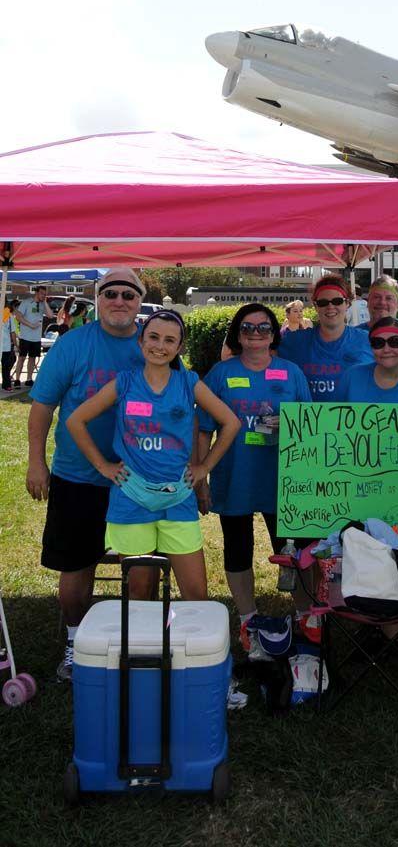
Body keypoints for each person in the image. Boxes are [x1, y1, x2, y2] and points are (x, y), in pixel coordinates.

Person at [26, 268, 159, 681]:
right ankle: (75, 642)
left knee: (142, 569)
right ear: (98, 299)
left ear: (140, 301)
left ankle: (136, 643)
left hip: (138, 482)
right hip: (78, 477)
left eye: (128, 294)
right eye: (110, 293)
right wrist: (35, 461)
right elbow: (43, 406)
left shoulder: (153, 345)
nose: (119, 301)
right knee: (76, 569)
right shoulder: (73, 344)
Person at [66, 310, 240, 600]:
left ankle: (189, 645)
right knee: (140, 591)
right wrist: (103, 466)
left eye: (169, 340)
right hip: (132, 497)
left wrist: (203, 468)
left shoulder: (188, 383)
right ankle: (143, 646)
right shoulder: (125, 382)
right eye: (154, 337)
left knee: (196, 593)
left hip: (178, 498)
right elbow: (75, 420)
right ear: (141, 341)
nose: (160, 346)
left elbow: (231, 422)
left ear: (179, 347)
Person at [196, 303, 313, 647]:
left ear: (274, 333)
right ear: (237, 334)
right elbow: (202, 429)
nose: (256, 334)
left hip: (282, 478)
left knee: (292, 551)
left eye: (264, 328)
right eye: (248, 328)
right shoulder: (219, 374)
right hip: (235, 477)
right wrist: (200, 478)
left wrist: (289, 427)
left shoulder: (291, 373)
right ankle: (248, 619)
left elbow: (310, 427)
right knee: (237, 548)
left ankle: (305, 616)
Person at [278, 272, 372, 400]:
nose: (330, 307)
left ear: (348, 303)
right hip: (306, 419)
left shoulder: (368, 341)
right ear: (316, 306)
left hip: (354, 419)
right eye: (323, 302)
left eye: (337, 301)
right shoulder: (294, 341)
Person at [14, 286, 54, 387]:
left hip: (36, 338)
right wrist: (30, 325)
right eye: (42, 293)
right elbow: (18, 316)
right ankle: (17, 379)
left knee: (32, 358)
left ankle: (29, 378)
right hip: (25, 336)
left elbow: (50, 315)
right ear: (36, 293)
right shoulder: (27, 302)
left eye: (45, 294)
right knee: (22, 358)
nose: (43, 296)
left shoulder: (42, 304)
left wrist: (45, 302)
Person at [2, 300, 18, 391]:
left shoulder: (9, 315)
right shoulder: (9, 315)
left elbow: (12, 332)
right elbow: (12, 332)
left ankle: (6, 384)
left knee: (6, 365)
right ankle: (6, 384)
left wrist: (15, 344)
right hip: (5, 345)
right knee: (6, 366)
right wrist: (16, 345)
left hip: (5, 345)